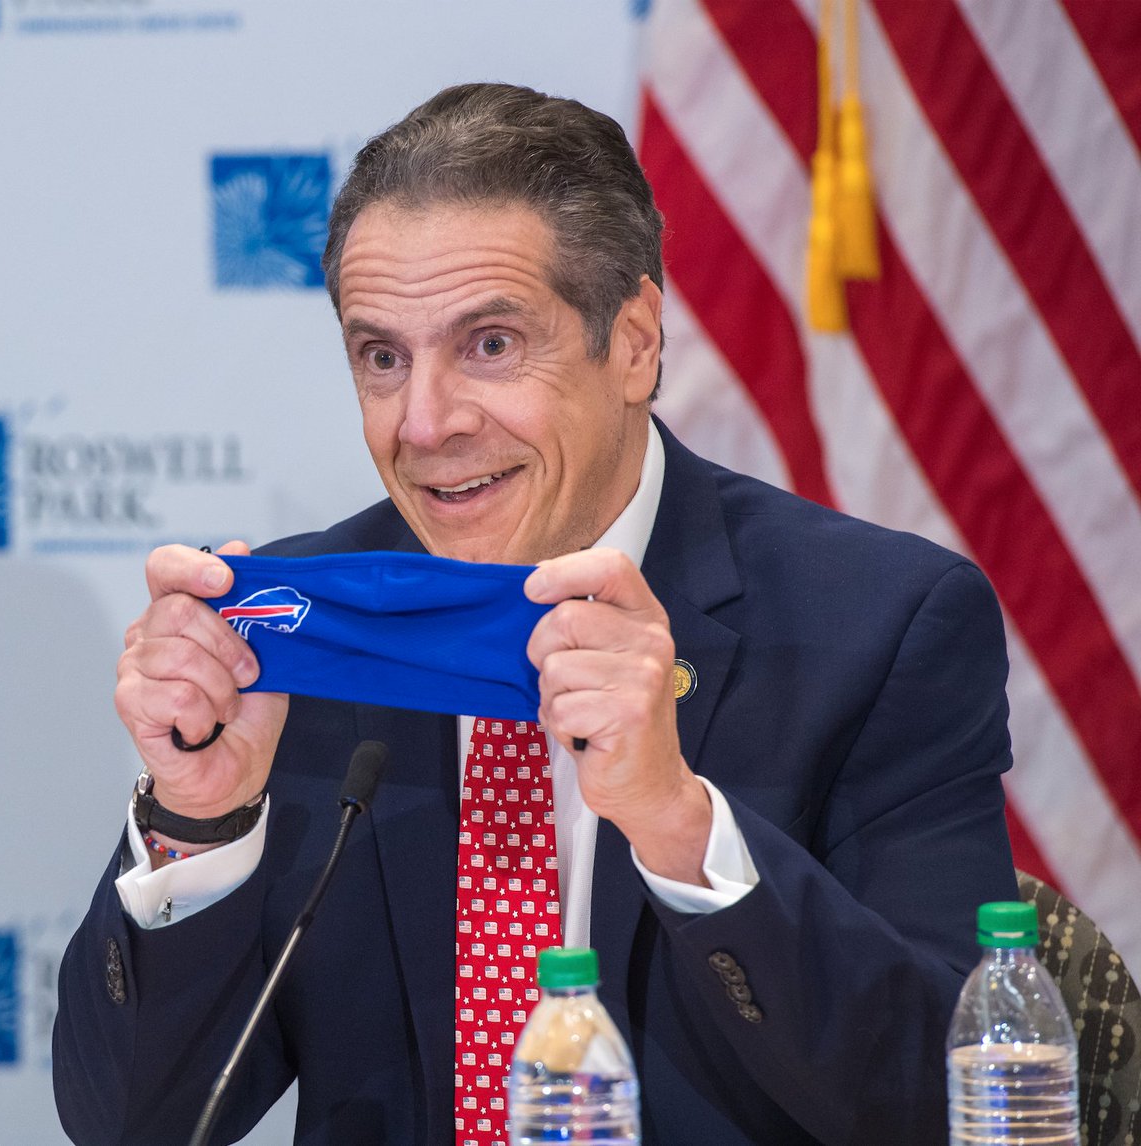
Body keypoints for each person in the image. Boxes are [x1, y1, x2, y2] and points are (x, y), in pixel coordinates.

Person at [52, 82, 1018, 1145]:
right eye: (383, 358)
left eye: (491, 345)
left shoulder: (878, 624)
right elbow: (129, 1125)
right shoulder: (291, 635)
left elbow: (950, 1107)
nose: (425, 424)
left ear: (635, 343)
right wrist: (202, 819)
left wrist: (677, 823)